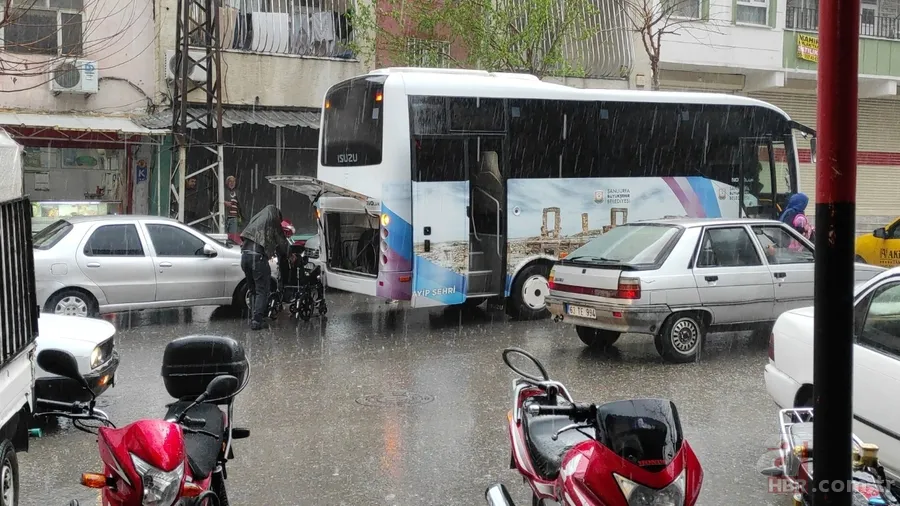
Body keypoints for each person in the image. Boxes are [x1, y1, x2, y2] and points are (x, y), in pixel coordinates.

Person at [240, 205, 289, 330]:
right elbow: (281, 242)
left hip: (245, 256)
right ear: (278, 217)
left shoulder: (257, 219)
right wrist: (289, 254)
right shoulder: (273, 218)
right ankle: (257, 321)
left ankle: (253, 317)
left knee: (253, 290)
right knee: (262, 290)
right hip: (258, 258)